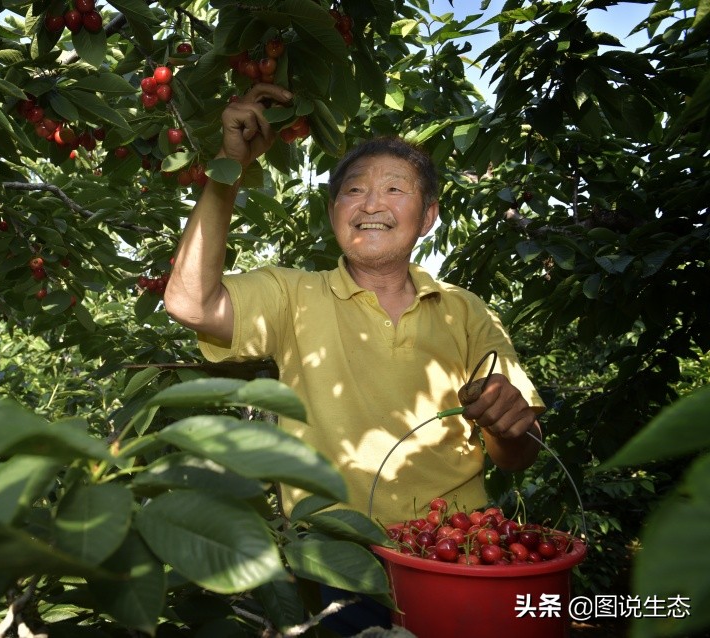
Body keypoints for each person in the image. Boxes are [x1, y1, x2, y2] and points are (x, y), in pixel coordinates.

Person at [163, 81, 543, 576]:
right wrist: (229, 168)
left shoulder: (465, 310)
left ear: (428, 216)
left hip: (458, 548)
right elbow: (190, 301)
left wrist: (509, 421)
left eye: (394, 189)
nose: (370, 205)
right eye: (354, 190)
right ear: (333, 213)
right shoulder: (292, 296)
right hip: (336, 557)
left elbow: (519, 454)